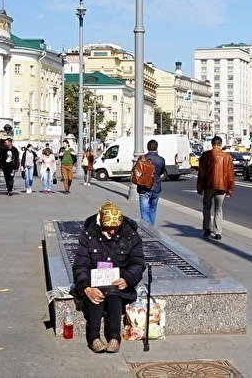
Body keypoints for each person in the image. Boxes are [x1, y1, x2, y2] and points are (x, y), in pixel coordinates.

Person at [72, 202, 145, 353]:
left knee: (113, 293)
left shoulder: (130, 235)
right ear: (101, 224)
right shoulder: (88, 234)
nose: (112, 231)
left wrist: (128, 278)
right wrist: (86, 287)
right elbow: (80, 265)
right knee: (96, 294)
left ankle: (114, 336)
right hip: (94, 281)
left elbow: (138, 263)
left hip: (118, 283)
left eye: (115, 228)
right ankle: (93, 336)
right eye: (108, 228)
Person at [196, 135, 235, 240]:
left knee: (207, 206)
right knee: (218, 209)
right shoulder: (227, 156)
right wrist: (230, 189)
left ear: (212, 144)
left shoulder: (205, 155)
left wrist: (199, 188)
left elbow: (201, 173)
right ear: (220, 145)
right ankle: (218, 232)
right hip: (221, 187)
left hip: (208, 186)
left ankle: (207, 229)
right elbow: (231, 175)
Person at [137, 139, 166, 225]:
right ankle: (151, 229)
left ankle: (149, 229)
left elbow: (136, 171)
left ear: (147, 147)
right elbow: (161, 172)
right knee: (153, 209)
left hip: (144, 187)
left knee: (144, 211)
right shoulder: (161, 160)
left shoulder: (142, 158)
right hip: (156, 187)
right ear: (157, 148)